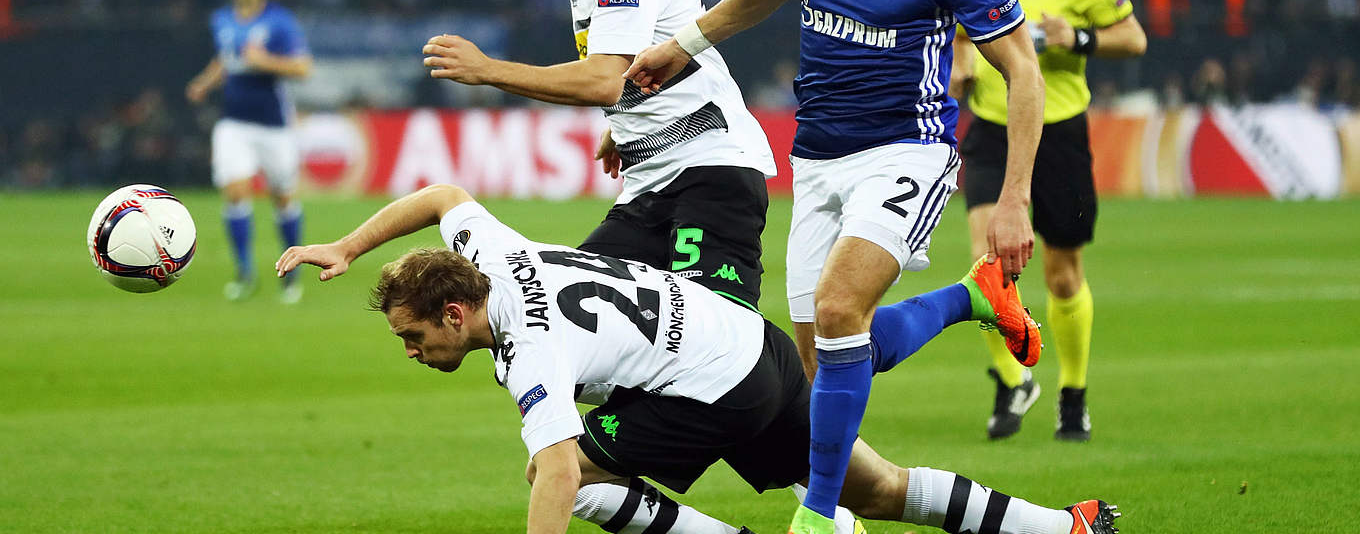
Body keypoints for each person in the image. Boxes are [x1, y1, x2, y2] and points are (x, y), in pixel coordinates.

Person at [624, 0, 1046, 531]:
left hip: (906, 152)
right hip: (816, 158)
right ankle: (970, 299)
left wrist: (1014, 198)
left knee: (839, 308)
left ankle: (819, 516)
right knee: (826, 364)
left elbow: (1022, 68)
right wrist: (682, 46)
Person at [274, 183, 1121, 534]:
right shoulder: (488, 252)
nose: (414, 352)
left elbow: (560, 472)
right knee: (872, 488)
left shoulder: (531, 344)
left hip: (713, 385)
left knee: (563, 478)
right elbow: (443, 197)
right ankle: (1065, 528)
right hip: (746, 344)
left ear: (455, 313)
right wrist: (349, 245)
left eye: (416, 336)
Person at [420, 0, 775, 313]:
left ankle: (800, 387)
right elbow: (633, 64)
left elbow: (604, 79)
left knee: (712, 342)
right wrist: (625, 122)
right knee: (573, 321)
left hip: (709, 171)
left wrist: (488, 70)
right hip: (652, 183)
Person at [951, 0, 1147, 442]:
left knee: (1063, 277)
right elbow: (963, 37)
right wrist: (960, 66)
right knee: (986, 265)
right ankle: (1013, 380)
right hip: (992, 127)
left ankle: (1073, 393)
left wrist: (1078, 39)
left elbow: (1133, 38)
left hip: (1059, 132)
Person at [186, 0, 312, 303]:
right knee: (235, 191)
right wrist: (204, 83)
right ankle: (244, 272)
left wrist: (265, 61)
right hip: (234, 123)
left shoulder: (280, 22)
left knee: (283, 199)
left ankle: (291, 276)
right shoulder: (222, 20)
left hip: (275, 125)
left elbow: (303, 67)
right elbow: (226, 60)